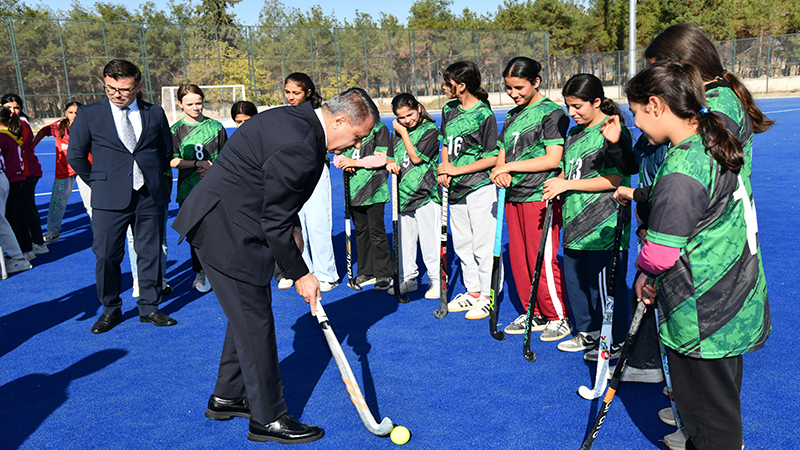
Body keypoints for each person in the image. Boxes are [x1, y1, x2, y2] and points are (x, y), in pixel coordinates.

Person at [171, 88, 378, 444]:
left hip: (225, 221)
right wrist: (301, 273)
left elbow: (273, 192)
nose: (354, 145)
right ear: (340, 120)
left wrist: (293, 230)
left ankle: (227, 397)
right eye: (356, 136)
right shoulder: (302, 146)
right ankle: (267, 418)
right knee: (256, 323)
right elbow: (274, 218)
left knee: (246, 316)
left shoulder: (296, 119)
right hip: (228, 232)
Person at [627, 60, 770, 450]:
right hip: (732, 295)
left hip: (702, 308)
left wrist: (644, 273)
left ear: (656, 105)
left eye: (636, 113)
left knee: (708, 420)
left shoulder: (681, 167)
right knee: (719, 407)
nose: (636, 123)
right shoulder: (715, 139)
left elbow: (659, 253)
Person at [67, 59, 176, 334]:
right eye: (110, 88)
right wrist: (99, 182)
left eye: (124, 89)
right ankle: (110, 309)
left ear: (137, 87)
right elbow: (76, 156)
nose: (117, 94)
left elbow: (165, 152)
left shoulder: (155, 113)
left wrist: (157, 183)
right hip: (107, 199)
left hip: (149, 196)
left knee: (150, 253)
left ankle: (150, 307)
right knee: (106, 256)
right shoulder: (90, 114)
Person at [542, 74, 632, 358]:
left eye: (578, 106)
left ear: (596, 101)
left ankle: (615, 341)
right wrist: (559, 180)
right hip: (574, 221)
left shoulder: (612, 131)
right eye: (568, 106)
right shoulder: (573, 132)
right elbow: (572, 168)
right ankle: (589, 332)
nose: (572, 113)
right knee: (577, 285)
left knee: (604, 288)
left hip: (603, 225)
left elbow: (616, 179)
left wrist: (566, 184)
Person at [490, 57, 571, 341]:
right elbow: (502, 153)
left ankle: (557, 315)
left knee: (543, 257)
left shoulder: (553, 113)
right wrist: (499, 172)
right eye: (509, 88)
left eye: (519, 87)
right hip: (513, 195)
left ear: (536, 82)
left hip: (541, 194)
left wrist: (509, 168)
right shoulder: (512, 115)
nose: (513, 93)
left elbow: (553, 158)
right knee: (519, 257)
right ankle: (532, 310)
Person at [436, 60, 500, 320]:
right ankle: (472, 291)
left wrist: (456, 170)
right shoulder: (449, 109)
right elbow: (445, 144)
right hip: (455, 188)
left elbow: (492, 158)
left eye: (448, 83)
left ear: (461, 85)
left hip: (479, 186)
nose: (444, 87)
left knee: (482, 245)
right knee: (462, 243)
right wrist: (444, 166)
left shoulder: (484, 115)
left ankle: (488, 296)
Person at [169, 84, 228, 293]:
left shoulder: (216, 128)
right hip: (189, 190)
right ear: (180, 104)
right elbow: (172, 161)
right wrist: (196, 164)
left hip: (216, 188)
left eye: (199, 103)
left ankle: (222, 271)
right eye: (190, 104)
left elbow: (227, 157)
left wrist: (213, 169)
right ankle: (200, 271)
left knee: (219, 231)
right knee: (195, 234)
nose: (196, 107)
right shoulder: (175, 130)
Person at [283, 73, 339, 292]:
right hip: (292, 173)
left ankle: (327, 274)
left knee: (317, 224)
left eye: (295, 93)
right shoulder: (286, 114)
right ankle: (303, 270)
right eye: (287, 92)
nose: (290, 97)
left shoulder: (320, 114)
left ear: (308, 92)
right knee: (297, 224)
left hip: (315, 171)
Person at [385, 93, 441, 299]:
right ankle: (409, 278)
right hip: (403, 194)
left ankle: (436, 280)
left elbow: (416, 158)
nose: (407, 120)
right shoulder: (396, 133)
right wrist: (390, 162)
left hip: (426, 194)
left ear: (418, 108)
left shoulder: (430, 130)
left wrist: (403, 132)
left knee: (430, 241)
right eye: (401, 118)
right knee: (405, 242)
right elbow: (391, 156)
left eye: (410, 114)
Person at [333, 114, 393, 291]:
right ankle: (366, 271)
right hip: (353, 190)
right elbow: (336, 153)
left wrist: (355, 162)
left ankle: (383, 272)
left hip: (375, 189)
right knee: (361, 231)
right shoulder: (349, 127)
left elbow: (382, 158)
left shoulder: (379, 128)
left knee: (377, 230)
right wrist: (342, 162)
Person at [32, 101, 84, 244]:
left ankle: (100, 232)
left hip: (84, 169)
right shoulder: (58, 126)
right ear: (66, 113)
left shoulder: (87, 124)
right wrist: (32, 146)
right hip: (64, 171)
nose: (74, 115)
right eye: (71, 112)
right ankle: (53, 232)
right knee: (57, 203)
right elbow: (43, 131)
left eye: (77, 112)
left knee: (92, 202)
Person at [3, 93, 47, 259]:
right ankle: (34, 243)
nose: (13, 111)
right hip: (23, 171)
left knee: (23, 209)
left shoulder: (20, 124)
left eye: (16, 107)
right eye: (9, 108)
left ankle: (32, 245)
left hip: (26, 172)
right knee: (25, 208)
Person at [0, 106, 32, 274]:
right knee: (14, 216)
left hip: (9, 178)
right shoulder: (11, 135)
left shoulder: (3, 137)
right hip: (11, 179)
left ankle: (18, 255)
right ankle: (25, 250)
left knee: (7, 219)